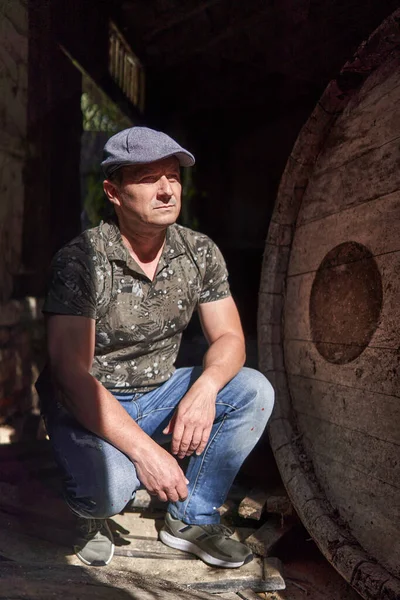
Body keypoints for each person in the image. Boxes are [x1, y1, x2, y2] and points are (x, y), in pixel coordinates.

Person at [36, 126, 274, 569]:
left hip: (159, 392)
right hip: (88, 404)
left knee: (252, 390)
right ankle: (89, 514)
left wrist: (204, 391)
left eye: (173, 176)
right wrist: (148, 454)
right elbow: (70, 374)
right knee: (111, 489)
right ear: (114, 191)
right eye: (148, 178)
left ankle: (191, 518)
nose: (166, 190)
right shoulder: (81, 260)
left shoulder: (199, 252)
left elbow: (230, 338)